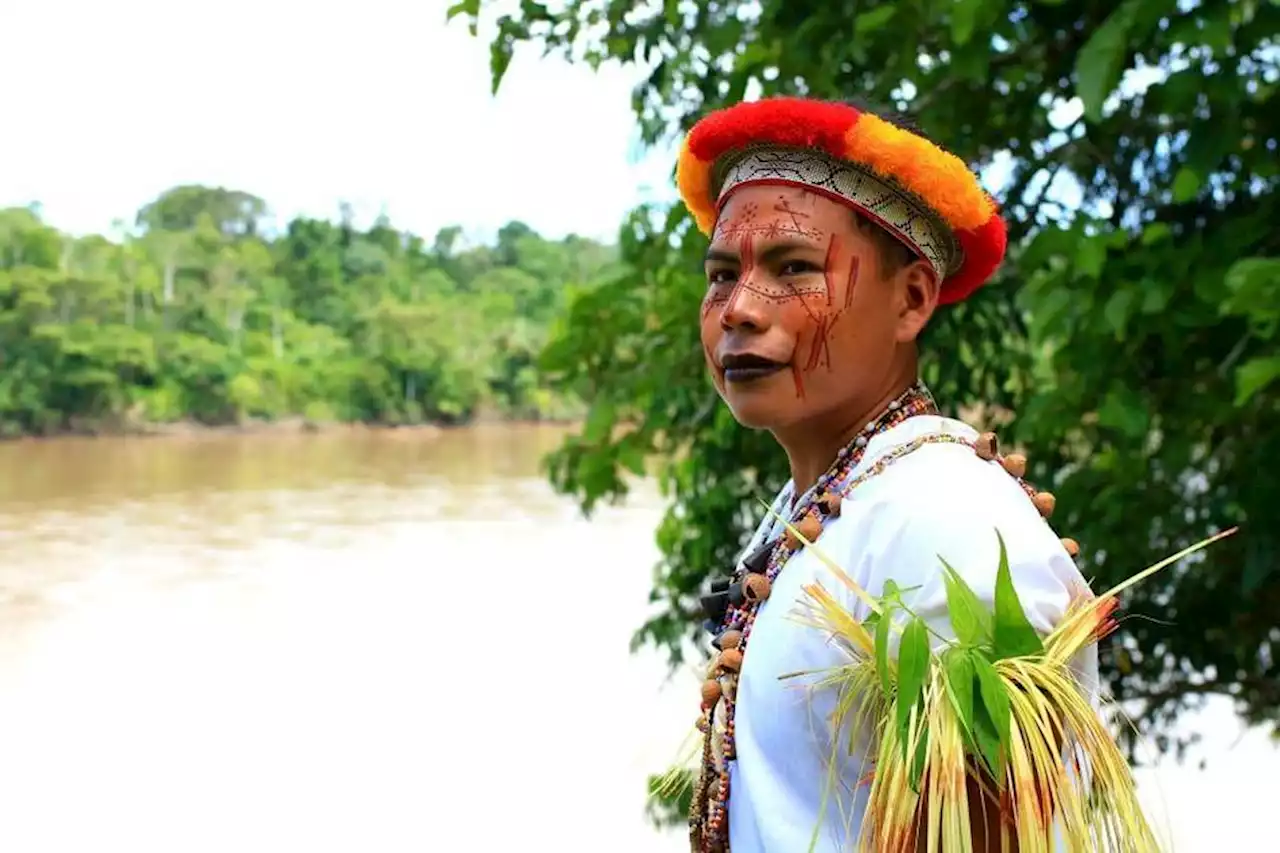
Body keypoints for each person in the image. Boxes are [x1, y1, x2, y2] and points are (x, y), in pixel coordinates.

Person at [676, 97, 1103, 852]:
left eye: (794, 267)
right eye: (721, 275)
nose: (739, 308)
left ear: (910, 299)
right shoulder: (832, 501)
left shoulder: (943, 521)